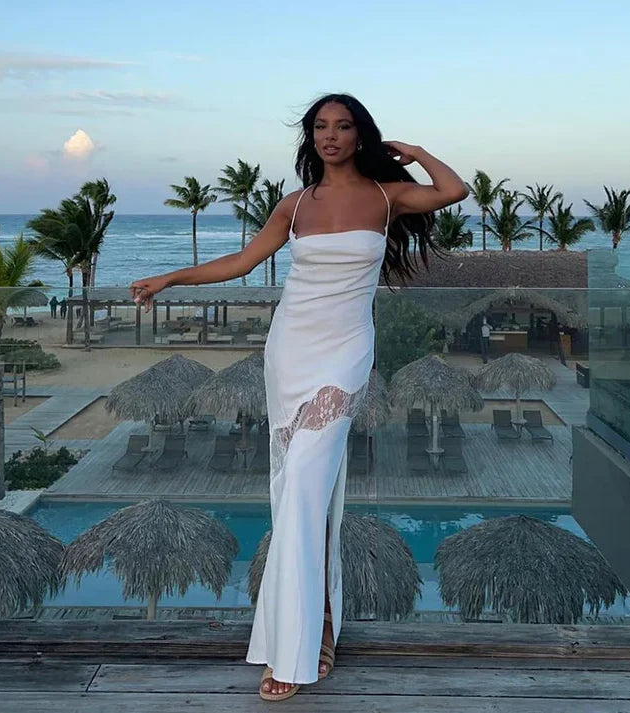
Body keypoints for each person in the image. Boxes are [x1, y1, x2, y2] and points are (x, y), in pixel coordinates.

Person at [129, 93, 468, 701]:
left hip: (344, 355)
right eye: (321, 127)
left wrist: (414, 152)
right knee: (296, 493)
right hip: (289, 351)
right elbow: (242, 262)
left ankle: (291, 648)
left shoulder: (387, 196)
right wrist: (170, 277)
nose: (330, 135)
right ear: (311, 138)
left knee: (305, 489)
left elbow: (453, 190)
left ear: (360, 136)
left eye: (343, 126)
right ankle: (321, 626)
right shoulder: (294, 205)